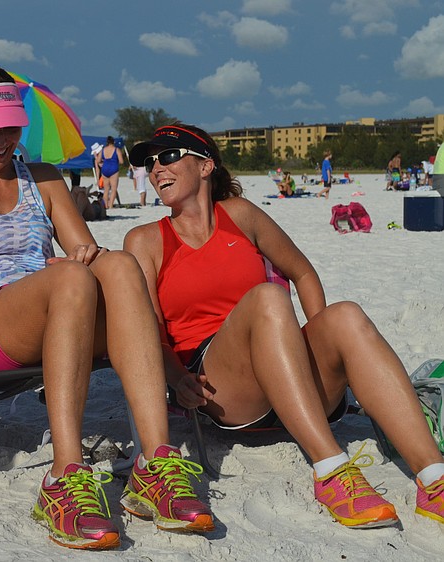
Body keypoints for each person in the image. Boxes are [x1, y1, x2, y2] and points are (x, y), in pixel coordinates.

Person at [0, 64, 213, 551]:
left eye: (11, 127)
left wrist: (88, 258)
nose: (1, 139)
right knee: (67, 275)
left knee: (120, 265)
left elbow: (87, 253)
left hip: (59, 312)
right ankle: (64, 475)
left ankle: (155, 461)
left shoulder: (42, 178)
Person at [123, 123, 444, 530]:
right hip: (222, 385)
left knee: (346, 315)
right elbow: (145, 330)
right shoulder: (145, 240)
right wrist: (175, 377)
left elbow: (303, 273)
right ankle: (331, 471)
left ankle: (434, 479)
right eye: (150, 163)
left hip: (289, 374)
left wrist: (314, 339)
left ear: (205, 166)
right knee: (269, 298)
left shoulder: (240, 215)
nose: (155, 169)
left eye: (167, 157)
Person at [95, 136, 124, 209]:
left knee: (106, 189)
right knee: (114, 189)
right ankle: (110, 205)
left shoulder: (103, 150)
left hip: (105, 169)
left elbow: (98, 161)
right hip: (113, 168)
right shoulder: (116, 150)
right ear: (113, 142)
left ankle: (106, 205)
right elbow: (121, 161)